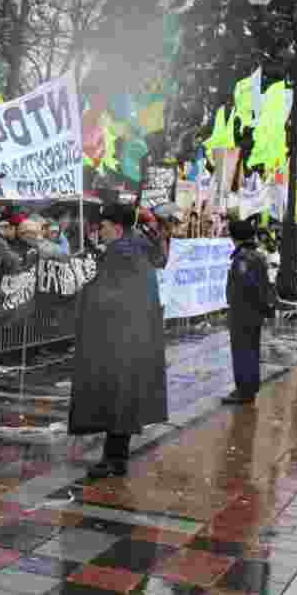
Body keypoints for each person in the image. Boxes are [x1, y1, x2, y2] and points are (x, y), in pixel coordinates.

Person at [69, 203, 167, 477]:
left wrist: (85, 295)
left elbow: (106, 295)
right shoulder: (138, 249)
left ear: (117, 228)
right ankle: (117, 458)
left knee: (116, 397)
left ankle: (112, 459)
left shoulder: (120, 253)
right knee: (123, 398)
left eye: (103, 227)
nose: (99, 231)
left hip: (118, 339)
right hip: (133, 337)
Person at [224, 220, 274, 404]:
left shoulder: (243, 259)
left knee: (242, 352)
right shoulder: (257, 255)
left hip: (243, 312)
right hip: (253, 312)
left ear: (236, 237)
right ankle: (250, 388)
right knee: (252, 350)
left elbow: (248, 286)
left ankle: (243, 390)